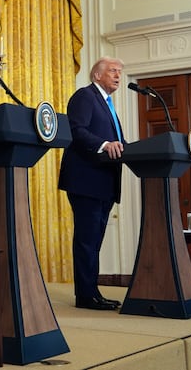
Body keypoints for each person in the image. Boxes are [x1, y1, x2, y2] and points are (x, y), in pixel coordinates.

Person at [58, 57, 125, 310]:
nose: (118, 75)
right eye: (112, 71)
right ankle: (86, 296)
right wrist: (104, 145)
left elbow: (116, 139)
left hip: (104, 182)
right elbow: (77, 130)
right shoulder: (85, 96)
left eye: (120, 71)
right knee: (87, 240)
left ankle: (92, 292)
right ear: (97, 75)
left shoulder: (107, 104)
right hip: (86, 180)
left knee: (94, 240)